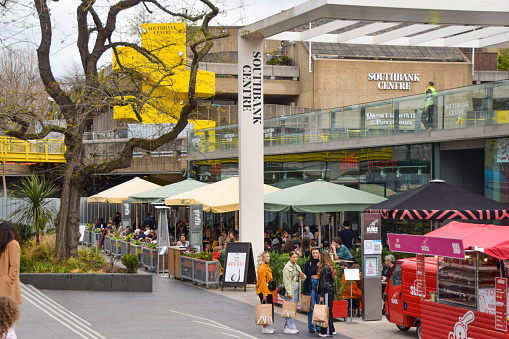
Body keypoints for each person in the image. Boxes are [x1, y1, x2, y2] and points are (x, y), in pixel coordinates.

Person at [282, 251, 306, 334]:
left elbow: (302, 279)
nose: (295, 258)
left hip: (296, 289)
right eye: (294, 257)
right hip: (291, 290)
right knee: (289, 308)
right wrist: (289, 292)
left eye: (296, 257)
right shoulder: (287, 267)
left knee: (294, 309)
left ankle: (292, 326)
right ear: (290, 257)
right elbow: (286, 280)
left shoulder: (297, 267)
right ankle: (287, 326)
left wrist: (303, 276)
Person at [0, 222, 22, 305]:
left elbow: (15, 265)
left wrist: (9, 281)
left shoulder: (13, 244)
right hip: (2, 282)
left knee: (6, 312)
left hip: (6, 286)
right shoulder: (3, 245)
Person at [318, 251, 337, 337]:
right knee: (329, 310)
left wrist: (322, 295)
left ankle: (326, 331)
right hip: (330, 291)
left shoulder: (325, 268)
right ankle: (331, 329)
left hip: (326, 292)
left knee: (326, 311)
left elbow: (324, 283)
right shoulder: (328, 267)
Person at [256, 252, 276, 334]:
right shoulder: (261, 268)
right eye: (267, 256)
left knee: (269, 309)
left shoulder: (266, 267)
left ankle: (267, 325)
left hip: (268, 291)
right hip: (265, 291)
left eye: (269, 256)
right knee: (265, 309)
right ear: (263, 258)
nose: (269, 258)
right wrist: (264, 294)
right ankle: (265, 326)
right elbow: (262, 282)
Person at [303, 247, 321, 333]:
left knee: (318, 305)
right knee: (311, 306)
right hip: (312, 283)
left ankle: (318, 325)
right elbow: (306, 277)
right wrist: (305, 290)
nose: (315, 254)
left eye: (316, 253)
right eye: (313, 253)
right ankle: (311, 326)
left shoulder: (321, 263)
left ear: (319, 253)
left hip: (319, 284)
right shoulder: (308, 263)